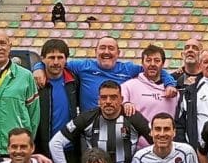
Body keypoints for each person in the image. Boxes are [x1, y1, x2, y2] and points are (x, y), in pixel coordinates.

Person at [41, 34, 177, 110]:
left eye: (111, 48)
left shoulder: (128, 69)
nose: (106, 52)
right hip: (88, 126)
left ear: (118, 53)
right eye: (102, 48)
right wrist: (38, 68)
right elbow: (56, 63)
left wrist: (170, 83)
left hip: (117, 124)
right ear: (95, 52)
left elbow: (154, 69)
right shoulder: (83, 66)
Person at [48, 80, 151, 163]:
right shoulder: (87, 118)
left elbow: (159, 141)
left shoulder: (133, 117)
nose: (108, 101)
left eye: (113, 97)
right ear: (99, 100)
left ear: (121, 100)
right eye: (104, 97)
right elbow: (55, 143)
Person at [35, 38, 81, 156]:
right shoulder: (34, 83)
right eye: (51, 57)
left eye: (60, 57)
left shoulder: (74, 80)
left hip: (69, 149)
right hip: (42, 151)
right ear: (43, 59)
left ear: (66, 60)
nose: (56, 62)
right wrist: (37, 67)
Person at [121, 44, 177, 125]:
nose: (152, 64)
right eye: (148, 60)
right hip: (138, 137)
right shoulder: (128, 87)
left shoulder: (174, 91)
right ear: (142, 63)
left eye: (157, 60)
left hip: (166, 137)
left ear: (163, 64)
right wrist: (125, 104)